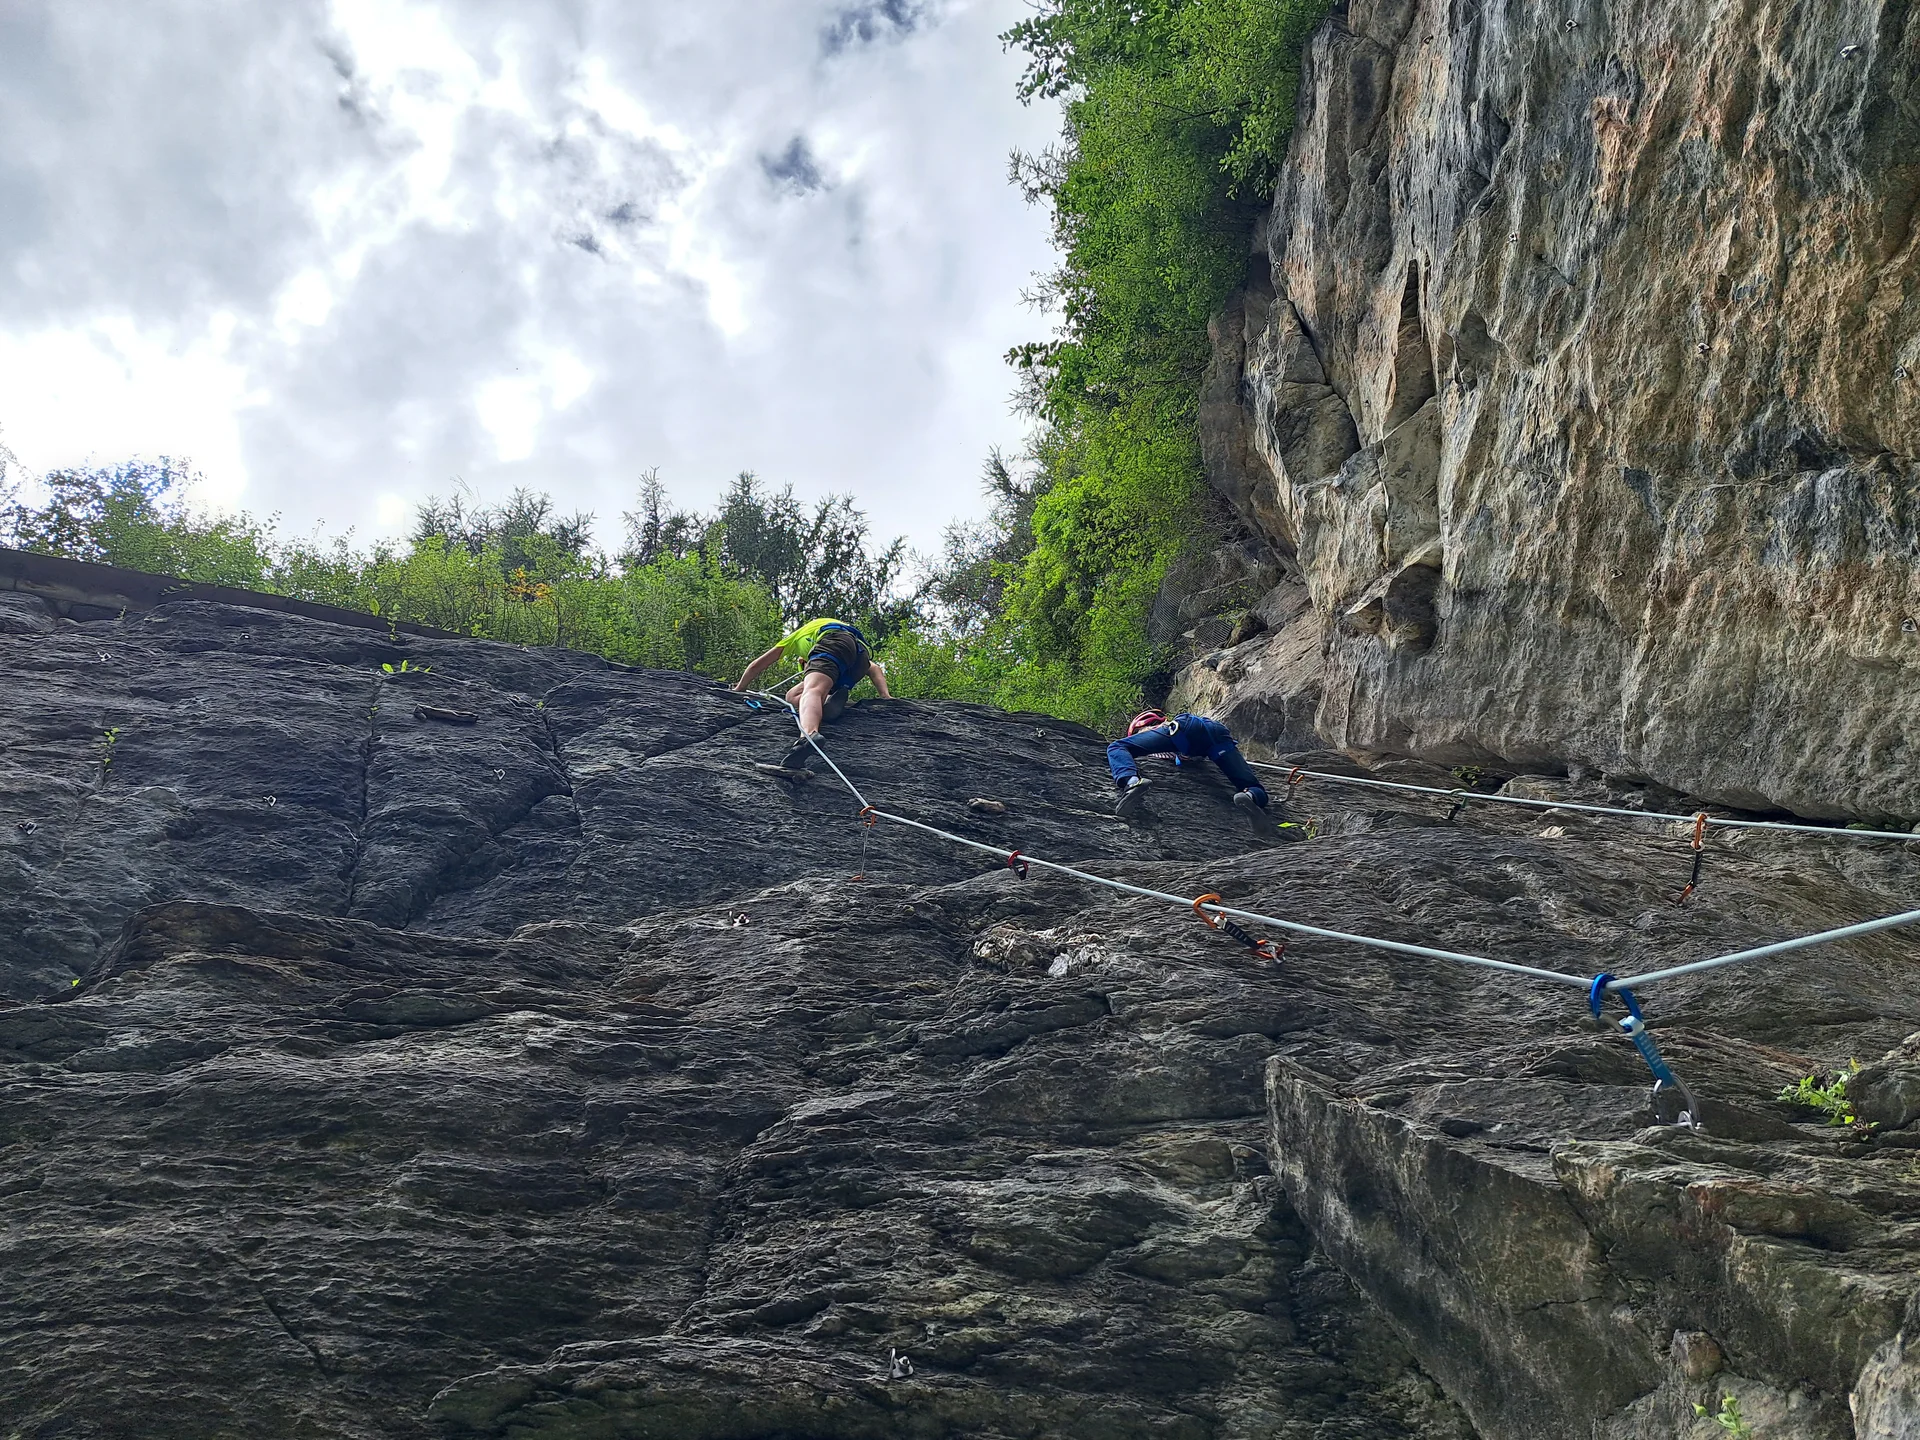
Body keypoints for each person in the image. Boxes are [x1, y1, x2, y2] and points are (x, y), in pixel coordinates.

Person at [734, 617, 890, 768]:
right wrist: (885, 696)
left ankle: (808, 736)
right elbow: (874, 668)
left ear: (804, 662)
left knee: (812, 689)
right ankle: (828, 703)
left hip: (833, 642)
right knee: (792, 696)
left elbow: (758, 665)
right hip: (860, 657)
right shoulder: (834, 631)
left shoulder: (796, 639)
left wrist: (739, 688)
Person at [1108, 709, 1278, 836]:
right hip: (1218, 735)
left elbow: (1140, 748)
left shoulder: (1161, 730)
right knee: (1252, 786)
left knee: (1117, 747)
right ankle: (1249, 796)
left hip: (1183, 731)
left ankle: (1132, 783)